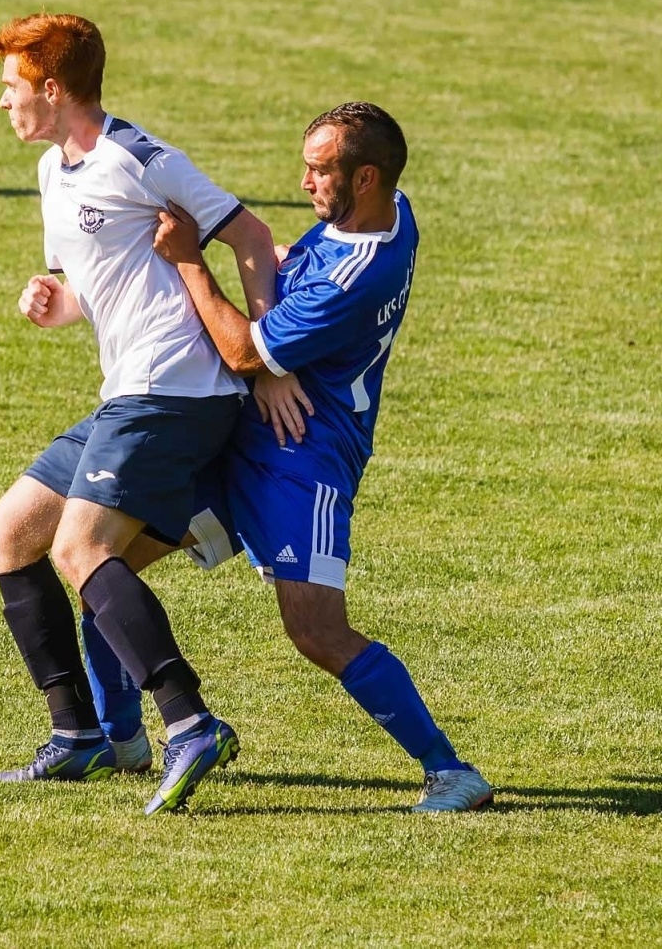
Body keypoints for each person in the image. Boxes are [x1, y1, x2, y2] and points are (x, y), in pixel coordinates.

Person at [147, 102, 494, 813]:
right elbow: (269, 337)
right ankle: (116, 735)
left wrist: (189, 261)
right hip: (244, 439)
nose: (304, 182)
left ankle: (451, 772)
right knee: (104, 560)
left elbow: (245, 351)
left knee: (315, 630)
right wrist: (274, 336)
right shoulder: (390, 211)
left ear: (365, 177)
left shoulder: (353, 276)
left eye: (319, 169)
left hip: (303, 458)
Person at [0, 12, 279, 815]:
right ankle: (78, 734)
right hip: (129, 391)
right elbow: (99, 283)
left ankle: (190, 722)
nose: (3, 101)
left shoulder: (139, 159)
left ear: (52, 89)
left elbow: (252, 236)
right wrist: (56, 301)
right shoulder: (53, 171)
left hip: (177, 389)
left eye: (12, 86)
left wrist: (266, 361)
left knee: (80, 548)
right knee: (9, 534)